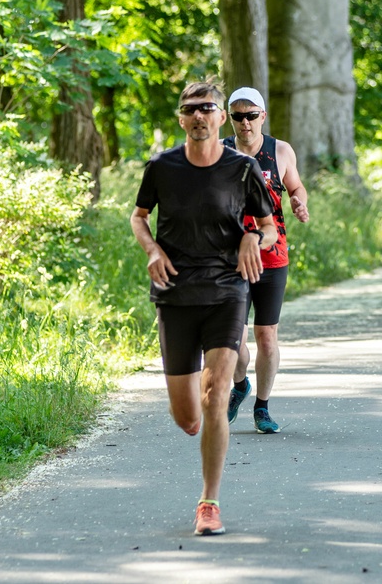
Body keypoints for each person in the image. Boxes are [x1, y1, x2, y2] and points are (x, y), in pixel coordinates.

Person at [130, 81, 275, 537]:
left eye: (207, 108)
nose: (199, 116)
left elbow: (270, 227)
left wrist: (252, 236)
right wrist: (152, 249)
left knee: (215, 396)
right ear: (181, 118)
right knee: (188, 416)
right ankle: (195, 421)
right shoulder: (162, 167)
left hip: (227, 292)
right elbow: (138, 216)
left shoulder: (243, 168)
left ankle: (209, 503)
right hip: (174, 294)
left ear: (219, 118)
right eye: (190, 110)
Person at [222, 87, 309, 435]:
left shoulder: (280, 151)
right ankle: (240, 383)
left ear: (263, 116)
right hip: (230, 258)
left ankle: (262, 406)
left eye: (251, 115)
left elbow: (297, 187)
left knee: (267, 336)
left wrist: (300, 203)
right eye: (238, 117)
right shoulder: (219, 152)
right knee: (232, 340)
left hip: (273, 254)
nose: (245, 123)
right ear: (230, 118)